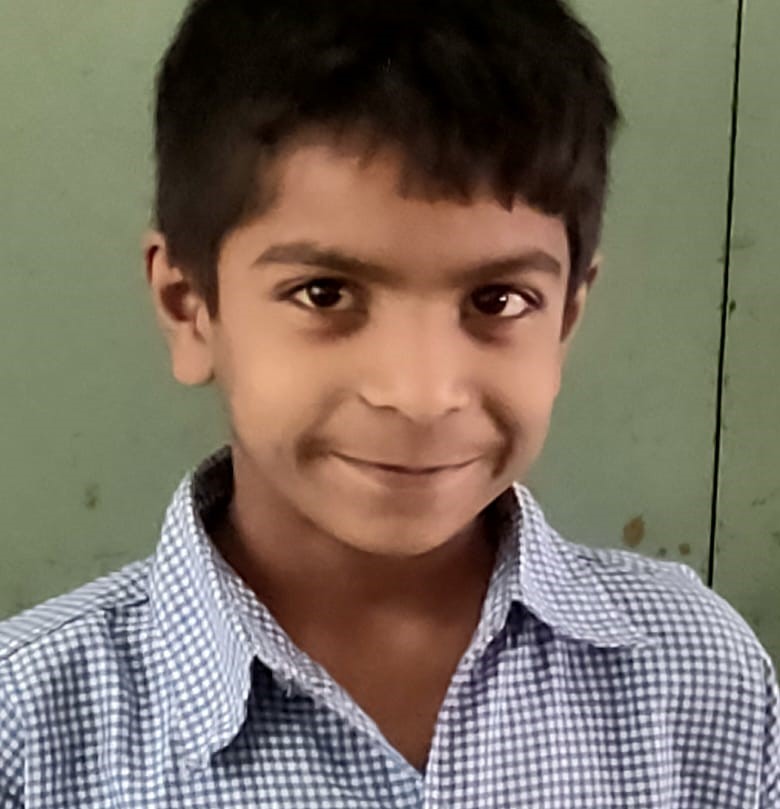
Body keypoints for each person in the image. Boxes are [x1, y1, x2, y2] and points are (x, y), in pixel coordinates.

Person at [1, 0, 778, 805]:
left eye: (498, 300)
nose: (421, 395)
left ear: (566, 318)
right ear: (189, 307)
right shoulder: (29, 730)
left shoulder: (695, 673)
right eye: (324, 292)